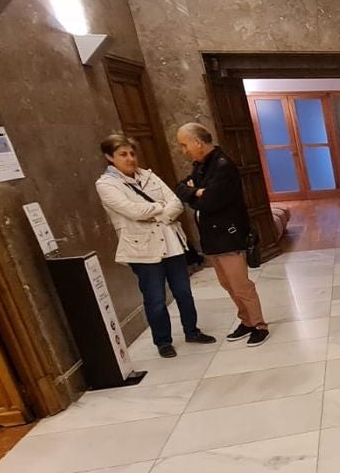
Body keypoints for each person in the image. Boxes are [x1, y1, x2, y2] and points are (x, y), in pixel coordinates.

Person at [94, 134, 216, 358]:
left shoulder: (149, 176)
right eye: (123, 154)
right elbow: (132, 211)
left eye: (132, 153)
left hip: (171, 243)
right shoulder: (106, 185)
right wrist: (161, 207)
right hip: (142, 249)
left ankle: (192, 331)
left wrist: (156, 211)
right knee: (155, 298)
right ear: (109, 157)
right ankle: (163, 341)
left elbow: (176, 203)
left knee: (184, 292)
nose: (130, 158)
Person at [173, 122, 269, 347]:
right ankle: (245, 321)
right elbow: (180, 187)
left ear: (197, 142)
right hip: (211, 238)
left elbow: (210, 202)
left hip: (228, 235)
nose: (183, 151)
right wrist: (195, 191)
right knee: (227, 284)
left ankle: (258, 325)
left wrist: (195, 194)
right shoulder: (200, 165)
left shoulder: (223, 166)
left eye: (184, 145)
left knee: (240, 284)